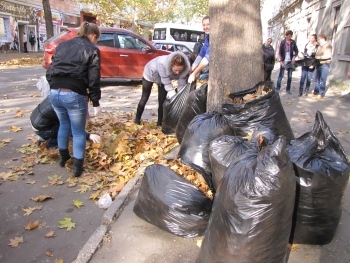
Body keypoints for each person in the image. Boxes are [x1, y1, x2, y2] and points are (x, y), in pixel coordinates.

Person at [46, 22, 101, 177]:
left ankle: (63, 158)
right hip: (74, 94)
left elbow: (50, 70)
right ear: (94, 36)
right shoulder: (92, 49)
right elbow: (94, 78)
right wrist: (95, 102)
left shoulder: (62, 46)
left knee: (64, 124)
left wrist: (54, 86)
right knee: (77, 131)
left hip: (55, 92)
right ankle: (77, 168)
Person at [134, 51, 191, 125]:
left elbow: (181, 83)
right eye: (176, 70)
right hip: (150, 73)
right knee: (145, 97)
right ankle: (137, 119)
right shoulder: (163, 64)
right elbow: (165, 80)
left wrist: (179, 95)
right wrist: (171, 92)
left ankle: (160, 123)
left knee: (162, 100)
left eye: (180, 70)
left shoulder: (185, 68)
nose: (177, 73)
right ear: (171, 65)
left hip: (162, 79)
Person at [30, 96, 101, 149]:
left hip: (40, 121)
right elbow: (70, 127)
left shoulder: (61, 94)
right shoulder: (65, 106)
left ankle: (49, 135)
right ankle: (52, 143)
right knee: (66, 131)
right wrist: (88, 136)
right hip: (42, 128)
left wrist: (88, 119)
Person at [188, 16, 210, 83]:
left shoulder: (215, 37)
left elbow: (207, 57)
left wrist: (194, 74)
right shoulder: (208, 36)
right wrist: (192, 67)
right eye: (204, 25)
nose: (206, 27)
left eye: (208, 24)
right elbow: (202, 52)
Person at [276, 30, 299, 94]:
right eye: (289, 36)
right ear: (286, 35)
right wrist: (281, 61)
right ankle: (278, 88)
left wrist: (294, 57)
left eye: (291, 36)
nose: (290, 37)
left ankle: (288, 89)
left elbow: (296, 51)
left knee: (290, 76)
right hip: (284, 61)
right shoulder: (282, 42)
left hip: (290, 61)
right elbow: (279, 52)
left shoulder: (293, 42)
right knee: (281, 75)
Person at [310, 34, 333, 99]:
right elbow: (316, 55)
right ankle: (315, 92)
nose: (319, 41)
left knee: (323, 79)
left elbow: (328, 56)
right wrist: (314, 63)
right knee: (317, 79)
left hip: (325, 64)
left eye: (319, 39)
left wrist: (319, 57)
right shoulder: (319, 46)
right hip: (318, 64)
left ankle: (321, 93)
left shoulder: (328, 46)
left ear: (323, 39)